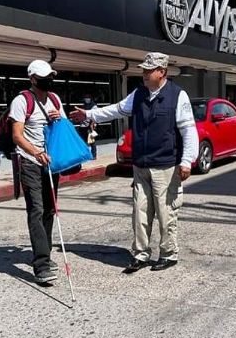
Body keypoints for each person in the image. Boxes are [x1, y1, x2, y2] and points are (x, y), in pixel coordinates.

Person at [70, 52, 199, 273]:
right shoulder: (138, 94)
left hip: (166, 166)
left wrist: (187, 161)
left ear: (162, 72)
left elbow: (189, 131)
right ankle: (140, 254)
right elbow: (117, 110)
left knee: (166, 212)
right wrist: (90, 115)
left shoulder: (178, 96)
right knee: (140, 212)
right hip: (141, 166)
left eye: (149, 70)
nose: (145, 74)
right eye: (144, 70)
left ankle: (169, 254)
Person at [10, 60, 66, 284]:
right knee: (36, 210)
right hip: (30, 161)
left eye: (50, 76)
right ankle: (41, 264)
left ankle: (46, 253)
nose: (48, 80)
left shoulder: (54, 99)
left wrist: (57, 119)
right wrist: (35, 152)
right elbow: (17, 135)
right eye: (44, 77)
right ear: (32, 78)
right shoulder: (21, 101)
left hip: (50, 161)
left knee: (49, 210)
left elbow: (61, 125)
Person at [78, 94, 98, 159]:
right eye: (85, 98)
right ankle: (84, 155)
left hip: (89, 126)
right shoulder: (83, 105)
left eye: (88, 98)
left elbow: (95, 116)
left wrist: (93, 124)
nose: (87, 99)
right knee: (81, 141)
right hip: (82, 126)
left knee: (92, 141)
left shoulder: (93, 106)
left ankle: (94, 155)